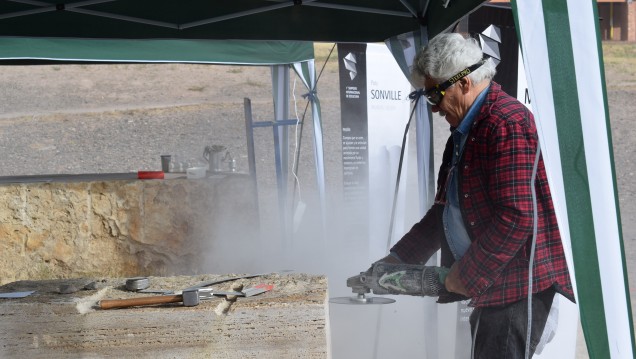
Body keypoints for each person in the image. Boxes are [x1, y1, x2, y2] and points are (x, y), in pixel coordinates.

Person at [373, 33, 575, 358]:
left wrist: (465, 275)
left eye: (435, 95)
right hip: (495, 287)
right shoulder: (467, 130)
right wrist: (398, 260)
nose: (435, 108)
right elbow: (445, 212)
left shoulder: (505, 124)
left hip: (518, 290)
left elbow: (519, 216)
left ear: (464, 84)